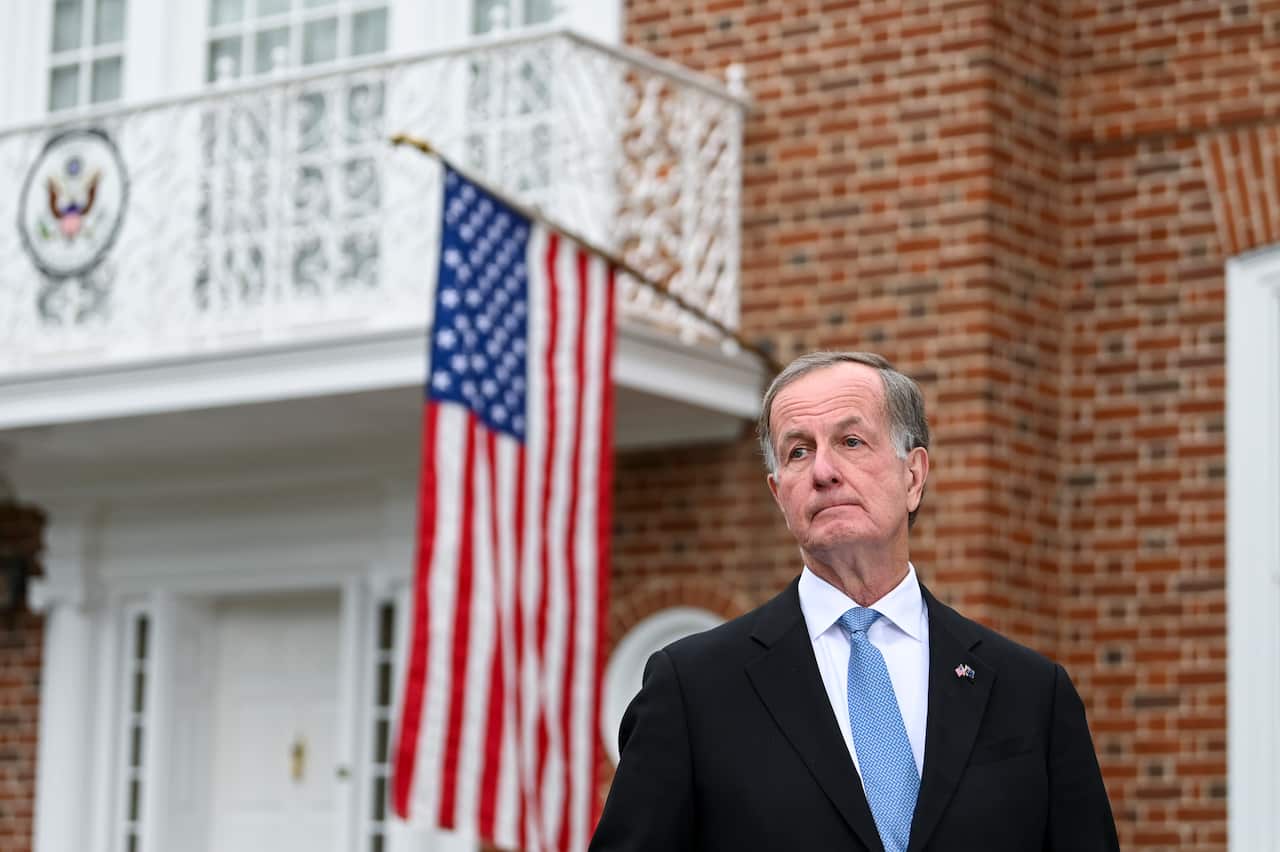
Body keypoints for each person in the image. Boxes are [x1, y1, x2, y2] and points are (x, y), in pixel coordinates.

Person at [590, 351, 1119, 852]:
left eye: (850, 442)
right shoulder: (692, 689)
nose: (823, 471)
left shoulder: (1031, 694)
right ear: (779, 494)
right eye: (799, 451)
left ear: (913, 475)